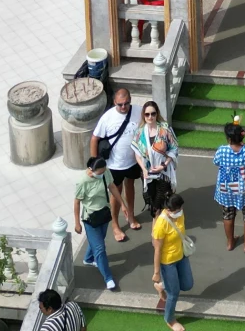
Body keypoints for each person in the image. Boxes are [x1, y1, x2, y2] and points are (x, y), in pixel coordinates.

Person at [88, 84, 142, 241]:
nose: (124, 107)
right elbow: (94, 138)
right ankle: (115, 225)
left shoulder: (138, 111)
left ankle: (131, 216)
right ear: (114, 103)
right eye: (120, 104)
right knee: (115, 194)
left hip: (133, 161)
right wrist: (94, 164)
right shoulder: (108, 117)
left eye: (126, 103)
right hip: (114, 164)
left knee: (130, 186)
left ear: (130, 100)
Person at [71, 157, 121, 292]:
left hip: (104, 214)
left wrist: (123, 204)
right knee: (100, 249)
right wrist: (77, 223)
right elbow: (77, 202)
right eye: (99, 173)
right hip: (90, 219)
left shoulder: (106, 173)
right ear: (90, 170)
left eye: (103, 172)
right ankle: (108, 278)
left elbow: (112, 186)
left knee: (99, 240)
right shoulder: (83, 182)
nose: (102, 174)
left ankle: (88, 259)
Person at [212, 118, 245, 252]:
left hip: (226, 189)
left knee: (228, 215)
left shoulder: (222, 151)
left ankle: (230, 242)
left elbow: (215, 162)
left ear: (228, 139)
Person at [151, 191, 192, 331]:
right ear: (168, 210)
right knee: (173, 293)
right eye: (177, 210)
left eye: (181, 209)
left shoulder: (179, 213)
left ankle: (163, 286)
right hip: (167, 262)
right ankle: (170, 319)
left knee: (187, 284)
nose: (180, 212)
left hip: (181, 256)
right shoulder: (161, 224)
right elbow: (157, 250)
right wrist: (156, 272)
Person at [134, 100, 179, 221]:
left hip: (163, 172)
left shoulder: (165, 129)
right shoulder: (139, 132)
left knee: (161, 199)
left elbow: (174, 149)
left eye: (153, 114)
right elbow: (137, 154)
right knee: (151, 197)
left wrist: (164, 165)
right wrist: (143, 169)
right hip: (147, 173)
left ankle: (157, 227)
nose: (150, 117)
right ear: (143, 115)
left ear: (157, 113)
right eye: (147, 114)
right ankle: (158, 224)